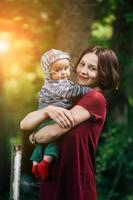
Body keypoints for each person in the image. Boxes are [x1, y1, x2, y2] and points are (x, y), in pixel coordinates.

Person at [20, 46, 120, 200]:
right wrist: (47, 111)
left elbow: (51, 133)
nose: (83, 71)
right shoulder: (68, 96)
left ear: (103, 74)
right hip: (53, 178)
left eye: (92, 68)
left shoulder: (95, 98)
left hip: (74, 182)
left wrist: (33, 136)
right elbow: (24, 123)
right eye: (82, 64)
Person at [29, 49, 91, 181]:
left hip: (46, 116)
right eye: (58, 70)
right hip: (51, 117)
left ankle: (35, 164)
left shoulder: (58, 82)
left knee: (40, 143)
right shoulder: (57, 85)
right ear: (49, 73)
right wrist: (90, 90)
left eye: (66, 68)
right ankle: (45, 163)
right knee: (56, 138)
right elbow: (73, 90)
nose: (63, 72)